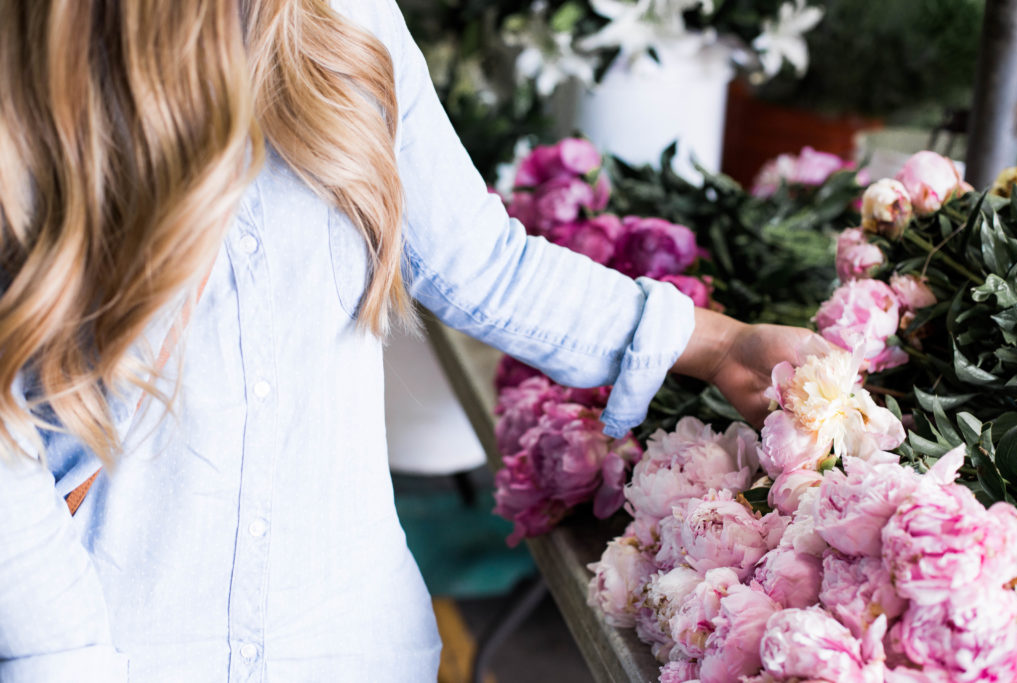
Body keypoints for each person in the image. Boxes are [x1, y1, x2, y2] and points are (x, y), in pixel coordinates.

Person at [0, 1, 812, 681]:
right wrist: (61, 658)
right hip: (110, 647)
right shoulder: (31, 65)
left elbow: (481, 263)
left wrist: (716, 345)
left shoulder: (346, 19)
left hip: (355, 647)